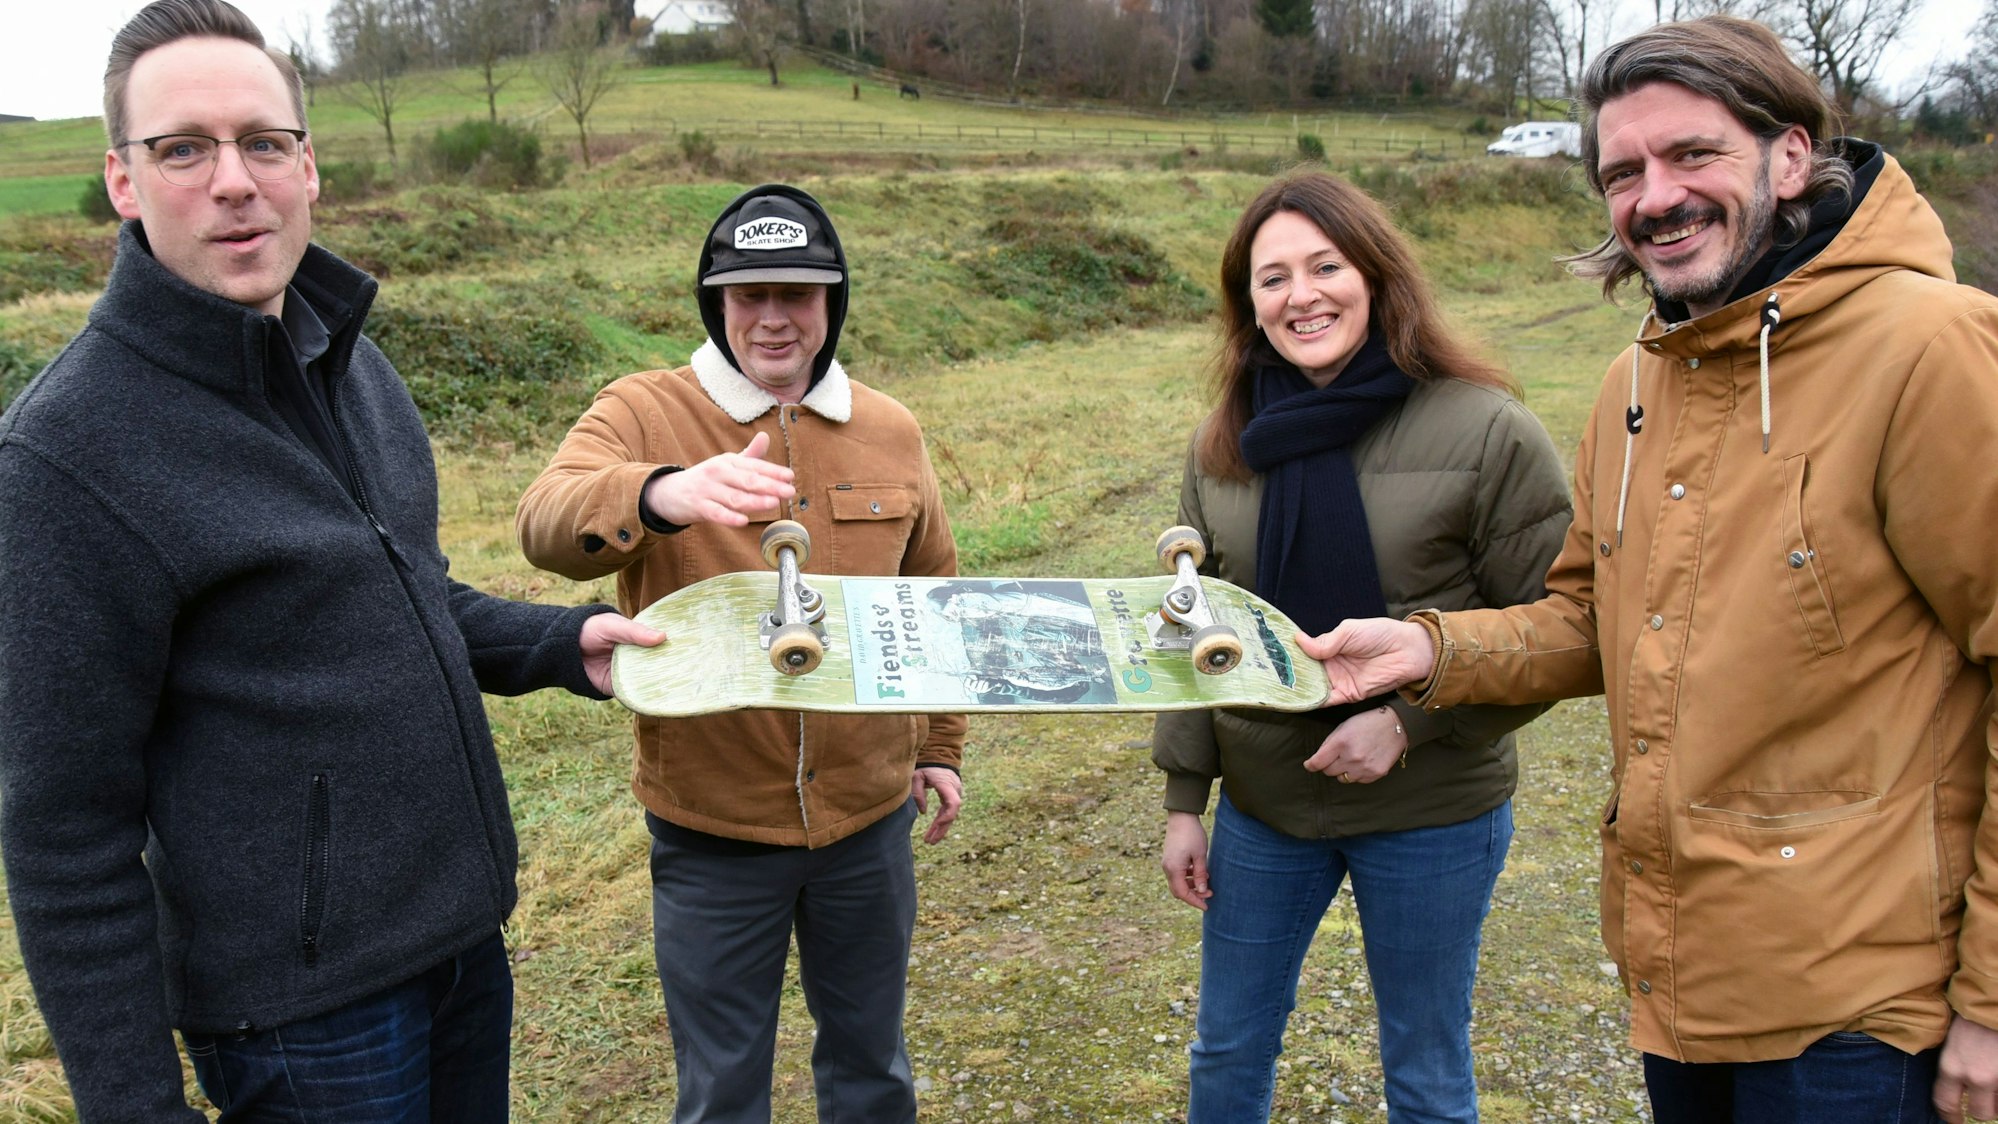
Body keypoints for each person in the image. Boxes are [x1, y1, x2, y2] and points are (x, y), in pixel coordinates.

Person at [1303, 16, 1998, 1124]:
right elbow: (1589, 614)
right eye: (1621, 172)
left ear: (1787, 154)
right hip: (1681, 978)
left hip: (1865, 1009)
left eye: (1691, 154)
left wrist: (1992, 1004)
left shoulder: (1934, 347)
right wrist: (1426, 648)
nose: (1653, 197)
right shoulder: (1642, 375)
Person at [0, 1, 662, 1119]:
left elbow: (393, 589)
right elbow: (65, 831)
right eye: (182, 149)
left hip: (461, 940)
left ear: (308, 165)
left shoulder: (346, 361)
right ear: (123, 180)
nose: (232, 180)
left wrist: (560, 641)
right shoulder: (67, 456)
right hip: (302, 1020)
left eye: (263, 141)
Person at [515, 184, 965, 1122]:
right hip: (711, 827)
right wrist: (660, 493)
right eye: (747, 293)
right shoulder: (643, 411)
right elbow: (544, 523)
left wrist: (939, 747)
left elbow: (931, 595)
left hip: (867, 823)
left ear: (831, 304)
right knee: (721, 1086)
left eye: (796, 294)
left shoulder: (890, 428)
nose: (772, 318)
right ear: (714, 302)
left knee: (872, 1064)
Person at [1151, 171, 1571, 1123]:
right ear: (1247, 306)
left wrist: (1409, 726)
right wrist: (1187, 801)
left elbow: (1556, 631)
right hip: (1264, 802)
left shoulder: (1488, 429)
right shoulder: (1225, 445)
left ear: (1378, 275)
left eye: (1326, 265)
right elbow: (1194, 631)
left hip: (1432, 811)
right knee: (1226, 1049)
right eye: (1272, 278)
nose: (1302, 295)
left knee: (1424, 1067)